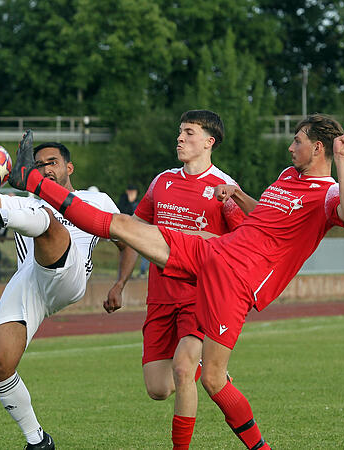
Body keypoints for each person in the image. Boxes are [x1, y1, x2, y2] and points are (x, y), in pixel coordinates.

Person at [8, 117, 344, 449]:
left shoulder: (328, 192)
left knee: (213, 380)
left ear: (318, 148)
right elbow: (262, 216)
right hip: (214, 252)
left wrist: (342, 160)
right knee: (124, 225)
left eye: (297, 141)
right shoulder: (288, 176)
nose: (290, 147)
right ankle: (32, 181)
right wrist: (237, 195)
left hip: (237, 282)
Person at [0, 140, 135, 449]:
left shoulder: (95, 200)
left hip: (70, 275)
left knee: (47, 222)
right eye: (38, 165)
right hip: (29, 279)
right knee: (0, 364)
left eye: (52, 162)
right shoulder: (24, 200)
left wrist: (120, 284)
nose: (46, 168)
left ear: (68, 168)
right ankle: (37, 440)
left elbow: (127, 242)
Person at [133, 111, 246, 449]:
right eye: (180, 132)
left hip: (201, 297)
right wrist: (120, 283)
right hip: (160, 296)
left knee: (182, 368)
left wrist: (205, 239)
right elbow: (135, 230)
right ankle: (209, 367)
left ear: (209, 142)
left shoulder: (224, 189)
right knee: (158, 388)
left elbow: (243, 245)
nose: (180, 138)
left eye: (189, 133)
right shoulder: (161, 182)